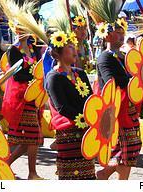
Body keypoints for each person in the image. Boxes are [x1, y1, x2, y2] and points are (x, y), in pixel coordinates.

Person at [84, 0, 142, 180]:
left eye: (122, 31)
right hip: (117, 111)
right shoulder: (104, 58)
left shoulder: (124, 56)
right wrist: (136, 79)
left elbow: (131, 80)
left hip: (128, 108)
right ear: (107, 35)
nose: (122, 35)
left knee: (131, 148)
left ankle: (103, 174)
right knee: (125, 151)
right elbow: (113, 84)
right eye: (117, 32)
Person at [0, 0, 48, 180]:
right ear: (15, 30)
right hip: (21, 97)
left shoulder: (34, 48)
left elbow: (40, 68)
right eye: (20, 28)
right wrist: (35, 78)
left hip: (33, 96)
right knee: (33, 136)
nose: (23, 31)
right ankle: (32, 173)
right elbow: (17, 75)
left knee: (30, 138)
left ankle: (8, 164)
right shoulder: (13, 50)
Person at [45, 30, 96, 180]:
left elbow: (90, 99)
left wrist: (94, 117)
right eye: (70, 47)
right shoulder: (53, 77)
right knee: (72, 175)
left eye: (74, 46)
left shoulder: (80, 73)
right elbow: (62, 107)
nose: (75, 49)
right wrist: (84, 119)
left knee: (88, 174)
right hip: (68, 132)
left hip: (86, 128)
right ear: (58, 53)